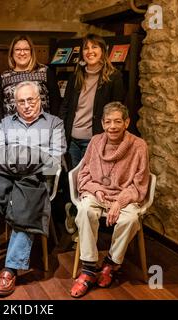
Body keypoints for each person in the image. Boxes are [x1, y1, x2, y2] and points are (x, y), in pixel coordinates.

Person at [0, 81, 66, 297]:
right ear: (15, 103)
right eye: (21, 101)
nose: (26, 105)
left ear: (39, 99)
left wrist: (17, 155)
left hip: (35, 179)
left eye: (31, 100)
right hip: (4, 174)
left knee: (25, 204)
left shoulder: (54, 124)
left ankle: (11, 267)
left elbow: (55, 159)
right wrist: (32, 154)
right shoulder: (6, 123)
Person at [70, 102, 150, 298]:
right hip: (98, 193)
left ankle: (111, 263)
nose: (112, 126)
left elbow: (140, 183)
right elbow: (85, 173)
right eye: (108, 122)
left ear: (126, 122)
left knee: (130, 219)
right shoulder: (96, 141)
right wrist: (96, 190)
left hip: (125, 196)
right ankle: (88, 268)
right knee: (85, 210)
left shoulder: (139, 146)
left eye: (117, 121)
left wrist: (119, 202)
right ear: (103, 124)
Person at [58, 33, 125, 235]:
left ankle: (85, 227)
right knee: (75, 182)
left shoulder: (114, 77)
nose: (90, 52)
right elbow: (66, 106)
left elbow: (118, 109)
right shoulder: (76, 76)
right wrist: (61, 132)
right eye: (86, 48)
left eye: (94, 48)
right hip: (73, 140)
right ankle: (75, 215)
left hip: (96, 140)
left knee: (92, 182)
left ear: (103, 52)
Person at [0, 35, 61, 129]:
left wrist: (54, 128)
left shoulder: (45, 72)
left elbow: (56, 103)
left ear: (31, 52)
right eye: (18, 49)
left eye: (26, 49)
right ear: (12, 53)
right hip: (12, 133)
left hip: (42, 131)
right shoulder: (4, 77)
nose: (22, 53)